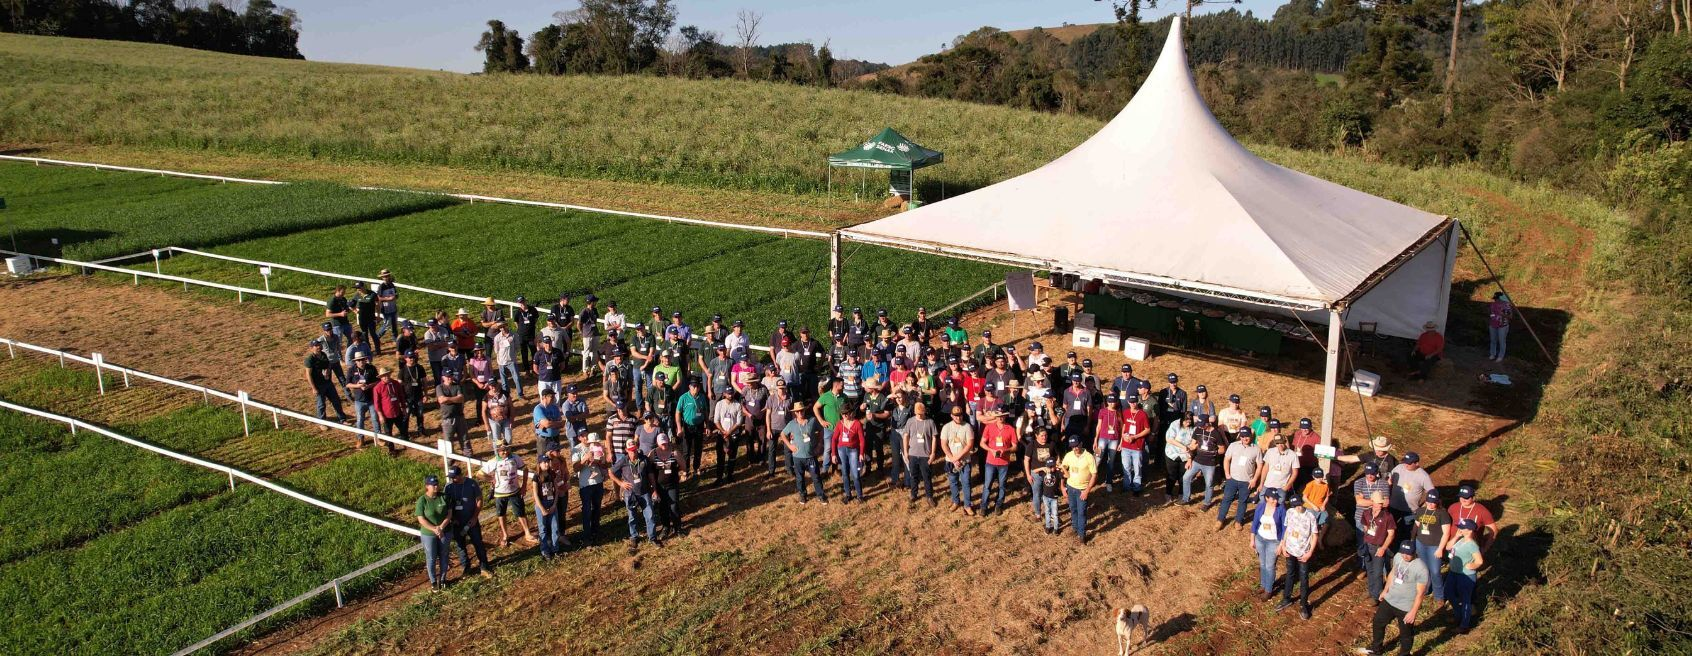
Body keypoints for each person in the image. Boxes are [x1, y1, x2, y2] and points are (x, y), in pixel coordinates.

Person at [1361, 542, 1427, 656]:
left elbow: (1420, 594)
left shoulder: (1421, 568)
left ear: (1414, 553)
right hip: (1390, 599)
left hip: (1406, 606)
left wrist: (1413, 612)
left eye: (1408, 554)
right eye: (1403, 553)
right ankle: (1376, 649)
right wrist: (1385, 590)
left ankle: (1405, 654)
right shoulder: (1398, 557)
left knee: (1405, 634)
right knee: (1378, 622)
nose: (1405, 556)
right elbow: (1392, 573)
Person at [443, 465, 495, 579]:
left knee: (478, 543)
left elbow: (479, 500)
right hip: (456, 522)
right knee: (460, 546)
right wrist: (453, 519)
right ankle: (466, 568)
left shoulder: (471, 484)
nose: (453, 479)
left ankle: (484, 567)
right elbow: (446, 505)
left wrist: (475, 517)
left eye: (454, 477)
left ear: (460, 475)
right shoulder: (448, 487)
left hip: (471, 521)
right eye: (451, 477)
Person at [609, 443, 661, 553]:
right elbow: (611, 472)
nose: (633, 453)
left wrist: (654, 490)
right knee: (632, 517)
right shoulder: (623, 461)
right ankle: (634, 536)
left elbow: (651, 475)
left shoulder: (644, 459)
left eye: (635, 450)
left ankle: (652, 538)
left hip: (645, 492)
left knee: (650, 515)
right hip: (630, 494)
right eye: (631, 451)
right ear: (627, 451)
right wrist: (621, 483)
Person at [480, 444, 534, 547]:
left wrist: (524, 486)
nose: (505, 452)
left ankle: (527, 533)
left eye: (507, 449)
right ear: (498, 451)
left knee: (521, 512)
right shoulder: (494, 461)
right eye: (502, 450)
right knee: (501, 514)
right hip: (500, 494)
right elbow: (479, 474)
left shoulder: (515, 457)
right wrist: (491, 479)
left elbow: (525, 469)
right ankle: (505, 535)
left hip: (515, 491)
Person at [1278, 492, 1320, 619]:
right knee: (1290, 574)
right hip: (1290, 549)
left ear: (1302, 503)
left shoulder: (1310, 516)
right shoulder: (1290, 512)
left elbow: (1314, 535)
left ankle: (1303, 604)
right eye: (1294, 505)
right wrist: (1283, 545)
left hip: (1303, 553)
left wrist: (1310, 552)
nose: (1297, 508)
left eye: (1299, 505)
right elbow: (1287, 529)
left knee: (1303, 577)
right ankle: (1286, 598)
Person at [1411, 489, 1452, 604]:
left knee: (1435, 571)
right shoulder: (1421, 511)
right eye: (1428, 501)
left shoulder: (1442, 514)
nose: (1430, 504)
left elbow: (1446, 533)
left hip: (1434, 546)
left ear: (1438, 502)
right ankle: (1425, 589)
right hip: (1421, 543)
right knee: (1424, 570)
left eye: (1433, 502)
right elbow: (1416, 526)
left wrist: (1440, 549)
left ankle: (1439, 596)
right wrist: (1412, 540)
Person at [782, 403, 827, 504]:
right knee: (800, 478)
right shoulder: (792, 424)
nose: (800, 413)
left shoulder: (812, 421)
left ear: (804, 410)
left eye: (801, 410)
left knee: (816, 476)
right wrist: (790, 446)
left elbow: (821, 430)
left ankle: (820, 495)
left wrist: (820, 444)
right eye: (797, 411)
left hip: (811, 456)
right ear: (795, 413)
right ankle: (803, 495)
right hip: (797, 457)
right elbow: (783, 434)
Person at [1445, 518, 1485, 633]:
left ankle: (1464, 625)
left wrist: (1471, 566)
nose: (1459, 529)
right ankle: (1459, 614)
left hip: (1465, 576)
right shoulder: (1461, 540)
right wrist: (1456, 536)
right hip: (1454, 572)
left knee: (1465, 599)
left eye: (1462, 528)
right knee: (1449, 593)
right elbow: (1448, 547)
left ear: (1469, 530)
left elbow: (1479, 561)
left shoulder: (1472, 545)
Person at [1218, 427, 1262, 530]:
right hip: (1232, 479)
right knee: (1226, 499)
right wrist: (1227, 474)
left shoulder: (1256, 449)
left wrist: (1254, 479)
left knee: (1243, 501)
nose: (1245, 438)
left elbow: (1260, 465)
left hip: (1246, 481)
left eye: (1247, 436)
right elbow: (1226, 459)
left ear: (1250, 436)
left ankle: (1238, 521)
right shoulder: (1233, 446)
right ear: (1240, 436)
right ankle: (1220, 520)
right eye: (1242, 436)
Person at [1358, 492, 1397, 602]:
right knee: (1369, 570)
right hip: (1367, 546)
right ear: (1373, 502)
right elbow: (1365, 527)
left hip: (1379, 547)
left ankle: (1376, 595)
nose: (1380, 504)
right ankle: (1371, 591)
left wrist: (1383, 548)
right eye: (1378, 502)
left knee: (1378, 572)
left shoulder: (1387, 516)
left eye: (1381, 502)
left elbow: (1391, 534)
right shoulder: (1366, 513)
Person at [979, 407, 1018, 516]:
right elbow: (982, 443)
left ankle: (999, 505)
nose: (1000, 417)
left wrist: (1005, 450)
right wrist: (990, 450)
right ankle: (983, 506)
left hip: (1004, 463)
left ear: (1005, 416)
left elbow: (1015, 447)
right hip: (990, 461)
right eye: (998, 415)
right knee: (987, 485)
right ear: (995, 416)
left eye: (1002, 415)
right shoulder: (989, 427)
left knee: (1002, 485)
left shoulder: (1010, 429)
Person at [1249, 488, 1287, 600]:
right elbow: (1255, 523)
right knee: (1262, 564)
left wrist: (1281, 544)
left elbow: (1285, 528)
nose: (1275, 501)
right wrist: (1252, 539)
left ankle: (1268, 590)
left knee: (1270, 566)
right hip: (1260, 539)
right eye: (1273, 499)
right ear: (1266, 498)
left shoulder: (1281, 509)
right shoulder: (1261, 507)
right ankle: (1263, 584)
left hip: (1274, 541)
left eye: (1276, 499)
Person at [531, 454, 570, 558]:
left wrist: (554, 505)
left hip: (552, 503)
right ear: (539, 464)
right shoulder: (536, 477)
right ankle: (545, 551)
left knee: (555, 527)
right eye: (544, 462)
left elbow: (556, 491)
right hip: (541, 504)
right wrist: (542, 508)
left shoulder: (552, 475)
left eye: (548, 462)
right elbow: (535, 494)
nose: (547, 464)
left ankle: (555, 549)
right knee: (542, 528)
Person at [416, 475, 451, 589]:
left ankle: (443, 579)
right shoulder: (422, 500)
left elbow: (449, 514)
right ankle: (433, 582)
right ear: (427, 486)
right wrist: (434, 529)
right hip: (429, 534)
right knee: (431, 557)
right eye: (433, 485)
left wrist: (441, 527)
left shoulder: (444, 497)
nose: (436, 486)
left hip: (445, 530)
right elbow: (421, 519)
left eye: (437, 484)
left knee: (444, 555)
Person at [1059, 436, 1097, 543]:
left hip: (1082, 489)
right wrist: (1062, 486)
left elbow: (1094, 475)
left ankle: (1081, 534)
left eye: (1076, 445)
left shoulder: (1089, 457)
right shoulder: (1069, 455)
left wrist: (1087, 490)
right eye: (1072, 446)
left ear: (1081, 443)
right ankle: (1075, 528)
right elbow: (1063, 470)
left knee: (1082, 512)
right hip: (1070, 487)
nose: (1075, 448)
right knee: (1073, 509)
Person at [902, 401, 940, 506]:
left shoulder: (930, 422)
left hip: (925, 455)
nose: (920, 415)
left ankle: (929, 496)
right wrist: (906, 451)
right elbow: (906, 436)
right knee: (913, 475)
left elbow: (934, 438)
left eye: (921, 413)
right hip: (913, 454)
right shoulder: (910, 421)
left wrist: (932, 453)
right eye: (918, 413)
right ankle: (914, 494)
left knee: (927, 477)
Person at [1025, 427, 1061, 534]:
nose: (1044, 437)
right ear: (1036, 436)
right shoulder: (1032, 445)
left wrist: (1057, 465)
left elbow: (1057, 455)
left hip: (1049, 475)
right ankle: (1038, 514)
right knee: (1037, 494)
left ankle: (1050, 514)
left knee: (1049, 495)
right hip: (1036, 474)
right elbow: (1026, 460)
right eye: (1042, 435)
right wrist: (1028, 475)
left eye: (1045, 435)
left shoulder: (1051, 444)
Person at [306, 340, 351, 425]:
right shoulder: (310, 359)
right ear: (311, 348)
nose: (318, 347)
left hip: (328, 383)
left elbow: (328, 365)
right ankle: (322, 422)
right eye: (316, 346)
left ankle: (342, 419)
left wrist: (328, 371)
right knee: (321, 404)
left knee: (336, 401)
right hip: (318, 385)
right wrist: (313, 388)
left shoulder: (323, 354)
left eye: (319, 345)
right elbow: (308, 375)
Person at [941, 407, 976, 515]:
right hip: (951, 461)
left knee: (966, 483)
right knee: (953, 482)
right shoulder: (946, 427)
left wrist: (958, 458)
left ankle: (967, 505)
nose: (958, 417)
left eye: (960, 415)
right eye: (956, 415)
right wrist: (952, 459)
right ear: (951, 415)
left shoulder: (967, 427)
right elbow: (944, 444)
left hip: (965, 461)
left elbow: (970, 445)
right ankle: (956, 501)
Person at [1183, 415, 1224, 506]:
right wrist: (1189, 455)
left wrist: (1214, 452)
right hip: (1197, 460)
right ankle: (1186, 498)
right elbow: (1193, 444)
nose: (1201, 427)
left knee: (1209, 483)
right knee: (1186, 477)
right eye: (1199, 424)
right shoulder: (1197, 430)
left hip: (1210, 463)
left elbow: (1222, 449)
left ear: (1208, 423)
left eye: (1202, 425)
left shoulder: (1216, 433)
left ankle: (1207, 503)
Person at [1387, 452, 1435, 530]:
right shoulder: (1399, 467)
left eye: (1409, 463)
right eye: (1405, 462)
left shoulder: (1423, 476)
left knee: (1405, 531)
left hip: (1410, 511)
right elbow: (1389, 481)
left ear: (1416, 463)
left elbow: (1431, 492)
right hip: (1393, 507)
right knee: (1390, 528)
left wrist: (1424, 507)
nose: (1406, 465)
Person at [575, 434, 610, 539]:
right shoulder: (577, 449)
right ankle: (587, 534)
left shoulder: (600, 449)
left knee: (597, 508)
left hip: (598, 482)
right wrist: (585, 458)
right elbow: (575, 468)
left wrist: (599, 461)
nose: (593, 444)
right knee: (586, 509)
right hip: (586, 484)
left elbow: (605, 465)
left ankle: (596, 530)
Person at [651, 434, 684, 538]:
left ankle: (677, 527)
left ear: (668, 441)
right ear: (658, 443)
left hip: (672, 484)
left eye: (665, 443)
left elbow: (683, 466)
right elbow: (649, 470)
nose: (664, 445)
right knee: (663, 507)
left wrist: (682, 474)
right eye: (662, 443)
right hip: (659, 486)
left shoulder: (674, 452)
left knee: (674, 506)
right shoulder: (653, 453)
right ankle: (666, 527)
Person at [675, 379, 709, 481]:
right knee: (687, 450)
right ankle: (686, 470)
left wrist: (707, 425)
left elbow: (705, 412)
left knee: (698, 448)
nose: (696, 388)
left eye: (697, 386)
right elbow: (678, 413)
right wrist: (679, 428)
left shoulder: (702, 397)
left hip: (699, 426)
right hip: (687, 426)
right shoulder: (683, 398)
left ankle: (696, 467)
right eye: (693, 386)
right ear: (689, 387)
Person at [1447, 485, 1497, 553]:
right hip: (1453, 545)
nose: (1463, 499)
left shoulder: (1482, 511)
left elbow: (1493, 531)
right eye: (1461, 496)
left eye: (1466, 497)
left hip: (1471, 548)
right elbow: (1445, 525)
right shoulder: (1453, 507)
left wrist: (1485, 548)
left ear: (1473, 498)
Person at [831, 406, 866, 503]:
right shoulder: (839, 424)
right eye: (843, 414)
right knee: (845, 473)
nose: (845, 415)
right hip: (841, 450)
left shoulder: (857, 424)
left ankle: (859, 495)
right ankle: (848, 494)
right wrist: (833, 454)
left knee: (855, 474)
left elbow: (862, 440)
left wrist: (861, 453)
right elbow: (834, 439)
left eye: (846, 413)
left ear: (850, 413)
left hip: (853, 450)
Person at [1121, 390, 1152, 494]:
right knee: (1126, 468)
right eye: (1131, 402)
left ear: (1137, 402)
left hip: (1137, 446)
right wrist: (1122, 437)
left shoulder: (1142, 414)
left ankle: (1137, 488)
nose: (1133, 404)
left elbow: (1147, 429)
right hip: (1126, 445)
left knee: (1137, 469)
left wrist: (1135, 437)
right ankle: (1126, 487)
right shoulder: (1125, 412)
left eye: (1134, 402)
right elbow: (1124, 426)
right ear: (1128, 402)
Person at [712, 389, 745, 485]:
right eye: (728, 394)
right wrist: (723, 432)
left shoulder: (738, 405)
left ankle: (730, 475)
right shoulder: (719, 404)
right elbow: (716, 420)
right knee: (720, 457)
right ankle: (719, 477)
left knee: (732, 456)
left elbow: (739, 422)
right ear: (724, 394)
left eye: (731, 393)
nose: (730, 395)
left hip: (734, 434)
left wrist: (729, 432)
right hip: (721, 435)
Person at [371, 367, 406, 454]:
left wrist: (404, 408)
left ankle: (406, 444)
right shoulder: (377, 388)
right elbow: (377, 403)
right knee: (388, 433)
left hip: (397, 411)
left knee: (403, 428)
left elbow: (401, 396)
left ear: (389, 374)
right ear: (381, 377)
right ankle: (391, 450)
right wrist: (380, 415)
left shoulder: (396, 383)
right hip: (386, 414)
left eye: (387, 375)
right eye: (383, 376)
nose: (386, 377)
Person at [1092, 397, 1124, 492]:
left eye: (1113, 402)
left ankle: (1109, 481)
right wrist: (1095, 440)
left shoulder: (1118, 412)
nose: (1111, 404)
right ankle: (1091, 479)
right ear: (1107, 402)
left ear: (1116, 402)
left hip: (1114, 439)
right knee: (1097, 459)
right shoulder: (1102, 411)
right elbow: (1099, 426)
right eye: (1109, 402)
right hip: (1102, 438)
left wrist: (1121, 441)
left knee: (1111, 461)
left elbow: (1122, 427)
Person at [347, 353, 379, 444]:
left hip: (371, 398)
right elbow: (347, 384)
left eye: (362, 359)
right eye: (358, 360)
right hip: (359, 400)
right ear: (355, 361)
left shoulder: (371, 368)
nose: (360, 362)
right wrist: (357, 385)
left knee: (374, 418)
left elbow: (377, 381)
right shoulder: (351, 370)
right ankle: (360, 438)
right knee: (360, 419)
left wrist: (369, 386)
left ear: (365, 359)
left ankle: (378, 438)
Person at [1163, 414, 1196, 502]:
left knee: (1183, 476)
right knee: (1171, 475)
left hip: (1185, 456)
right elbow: (1169, 439)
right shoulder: (1175, 424)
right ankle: (1168, 493)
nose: (1188, 424)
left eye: (1190, 422)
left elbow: (1193, 443)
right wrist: (1182, 446)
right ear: (1182, 420)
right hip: (1172, 453)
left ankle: (1181, 493)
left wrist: (1189, 458)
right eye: (1186, 422)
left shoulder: (1193, 428)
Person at [436, 370, 470, 456]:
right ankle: (449, 460)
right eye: (447, 376)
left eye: (451, 376)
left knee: (465, 439)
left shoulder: (457, 386)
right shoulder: (439, 387)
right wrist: (455, 399)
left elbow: (461, 398)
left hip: (460, 416)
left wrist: (448, 399)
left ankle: (469, 457)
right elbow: (441, 400)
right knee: (448, 441)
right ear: (443, 377)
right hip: (447, 418)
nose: (449, 378)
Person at [399, 350, 429, 435]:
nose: (412, 359)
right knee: (407, 415)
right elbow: (400, 384)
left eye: (413, 357)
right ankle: (405, 432)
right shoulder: (403, 370)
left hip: (418, 395)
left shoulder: (420, 368)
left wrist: (426, 394)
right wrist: (402, 398)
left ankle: (421, 430)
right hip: (407, 397)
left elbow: (424, 382)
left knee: (420, 413)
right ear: (405, 358)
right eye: (409, 357)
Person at [492, 324, 522, 400]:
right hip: (501, 361)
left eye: (504, 326)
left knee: (517, 378)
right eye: (501, 327)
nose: (503, 328)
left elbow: (517, 347)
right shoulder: (497, 338)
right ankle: (507, 396)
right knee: (504, 381)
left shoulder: (514, 335)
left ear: (507, 326)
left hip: (512, 360)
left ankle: (520, 394)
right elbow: (496, 350)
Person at [484, 381, 512, 451]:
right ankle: (498, 456)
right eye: (491, 385)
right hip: (493, 421)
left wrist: (512, 418)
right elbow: (483, 411)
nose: (493, 387)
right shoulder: (486, 397)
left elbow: (511, 407)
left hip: (506, 419)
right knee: (496, 440)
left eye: (494, 385)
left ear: (497, 384)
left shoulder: (505, 394)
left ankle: (508, 454)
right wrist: (486, 424)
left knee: (508, 438)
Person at [1487, 292, 1513, 362]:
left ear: (1501, 298)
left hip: (1503, 326)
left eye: (1497, 299)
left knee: (1502, 341)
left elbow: (1510, 316)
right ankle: (1492, 354)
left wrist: (1502, 314)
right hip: (1492, 325)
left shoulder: (1507, 305)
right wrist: (1492, 317)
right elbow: (1490, 313)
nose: (1496, 300)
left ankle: (1500, 356)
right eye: (1495, 299)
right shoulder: (1492, 304)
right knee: (1493, 340)